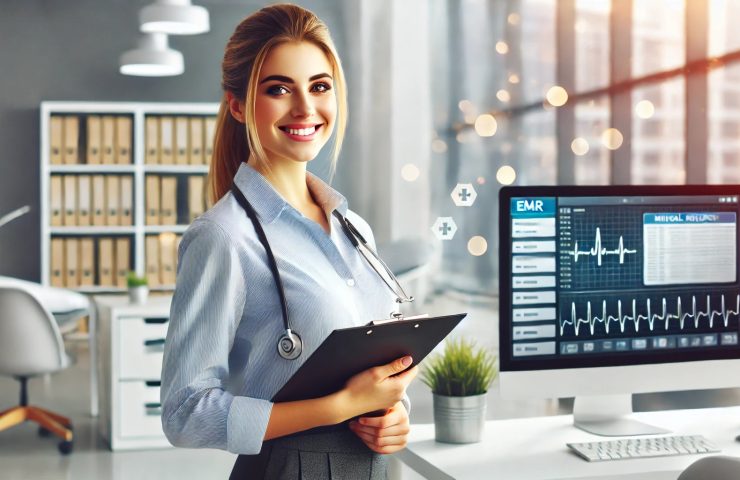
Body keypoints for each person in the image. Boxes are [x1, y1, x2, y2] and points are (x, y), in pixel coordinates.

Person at [160, 4, 418, 479]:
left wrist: (394, 417)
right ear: (237, 104)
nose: (305, 108)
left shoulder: (353, 227)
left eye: (319, 86)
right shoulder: (223, 236)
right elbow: (184, 414)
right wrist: (338, 406)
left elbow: (375, 369)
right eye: (279, 89)